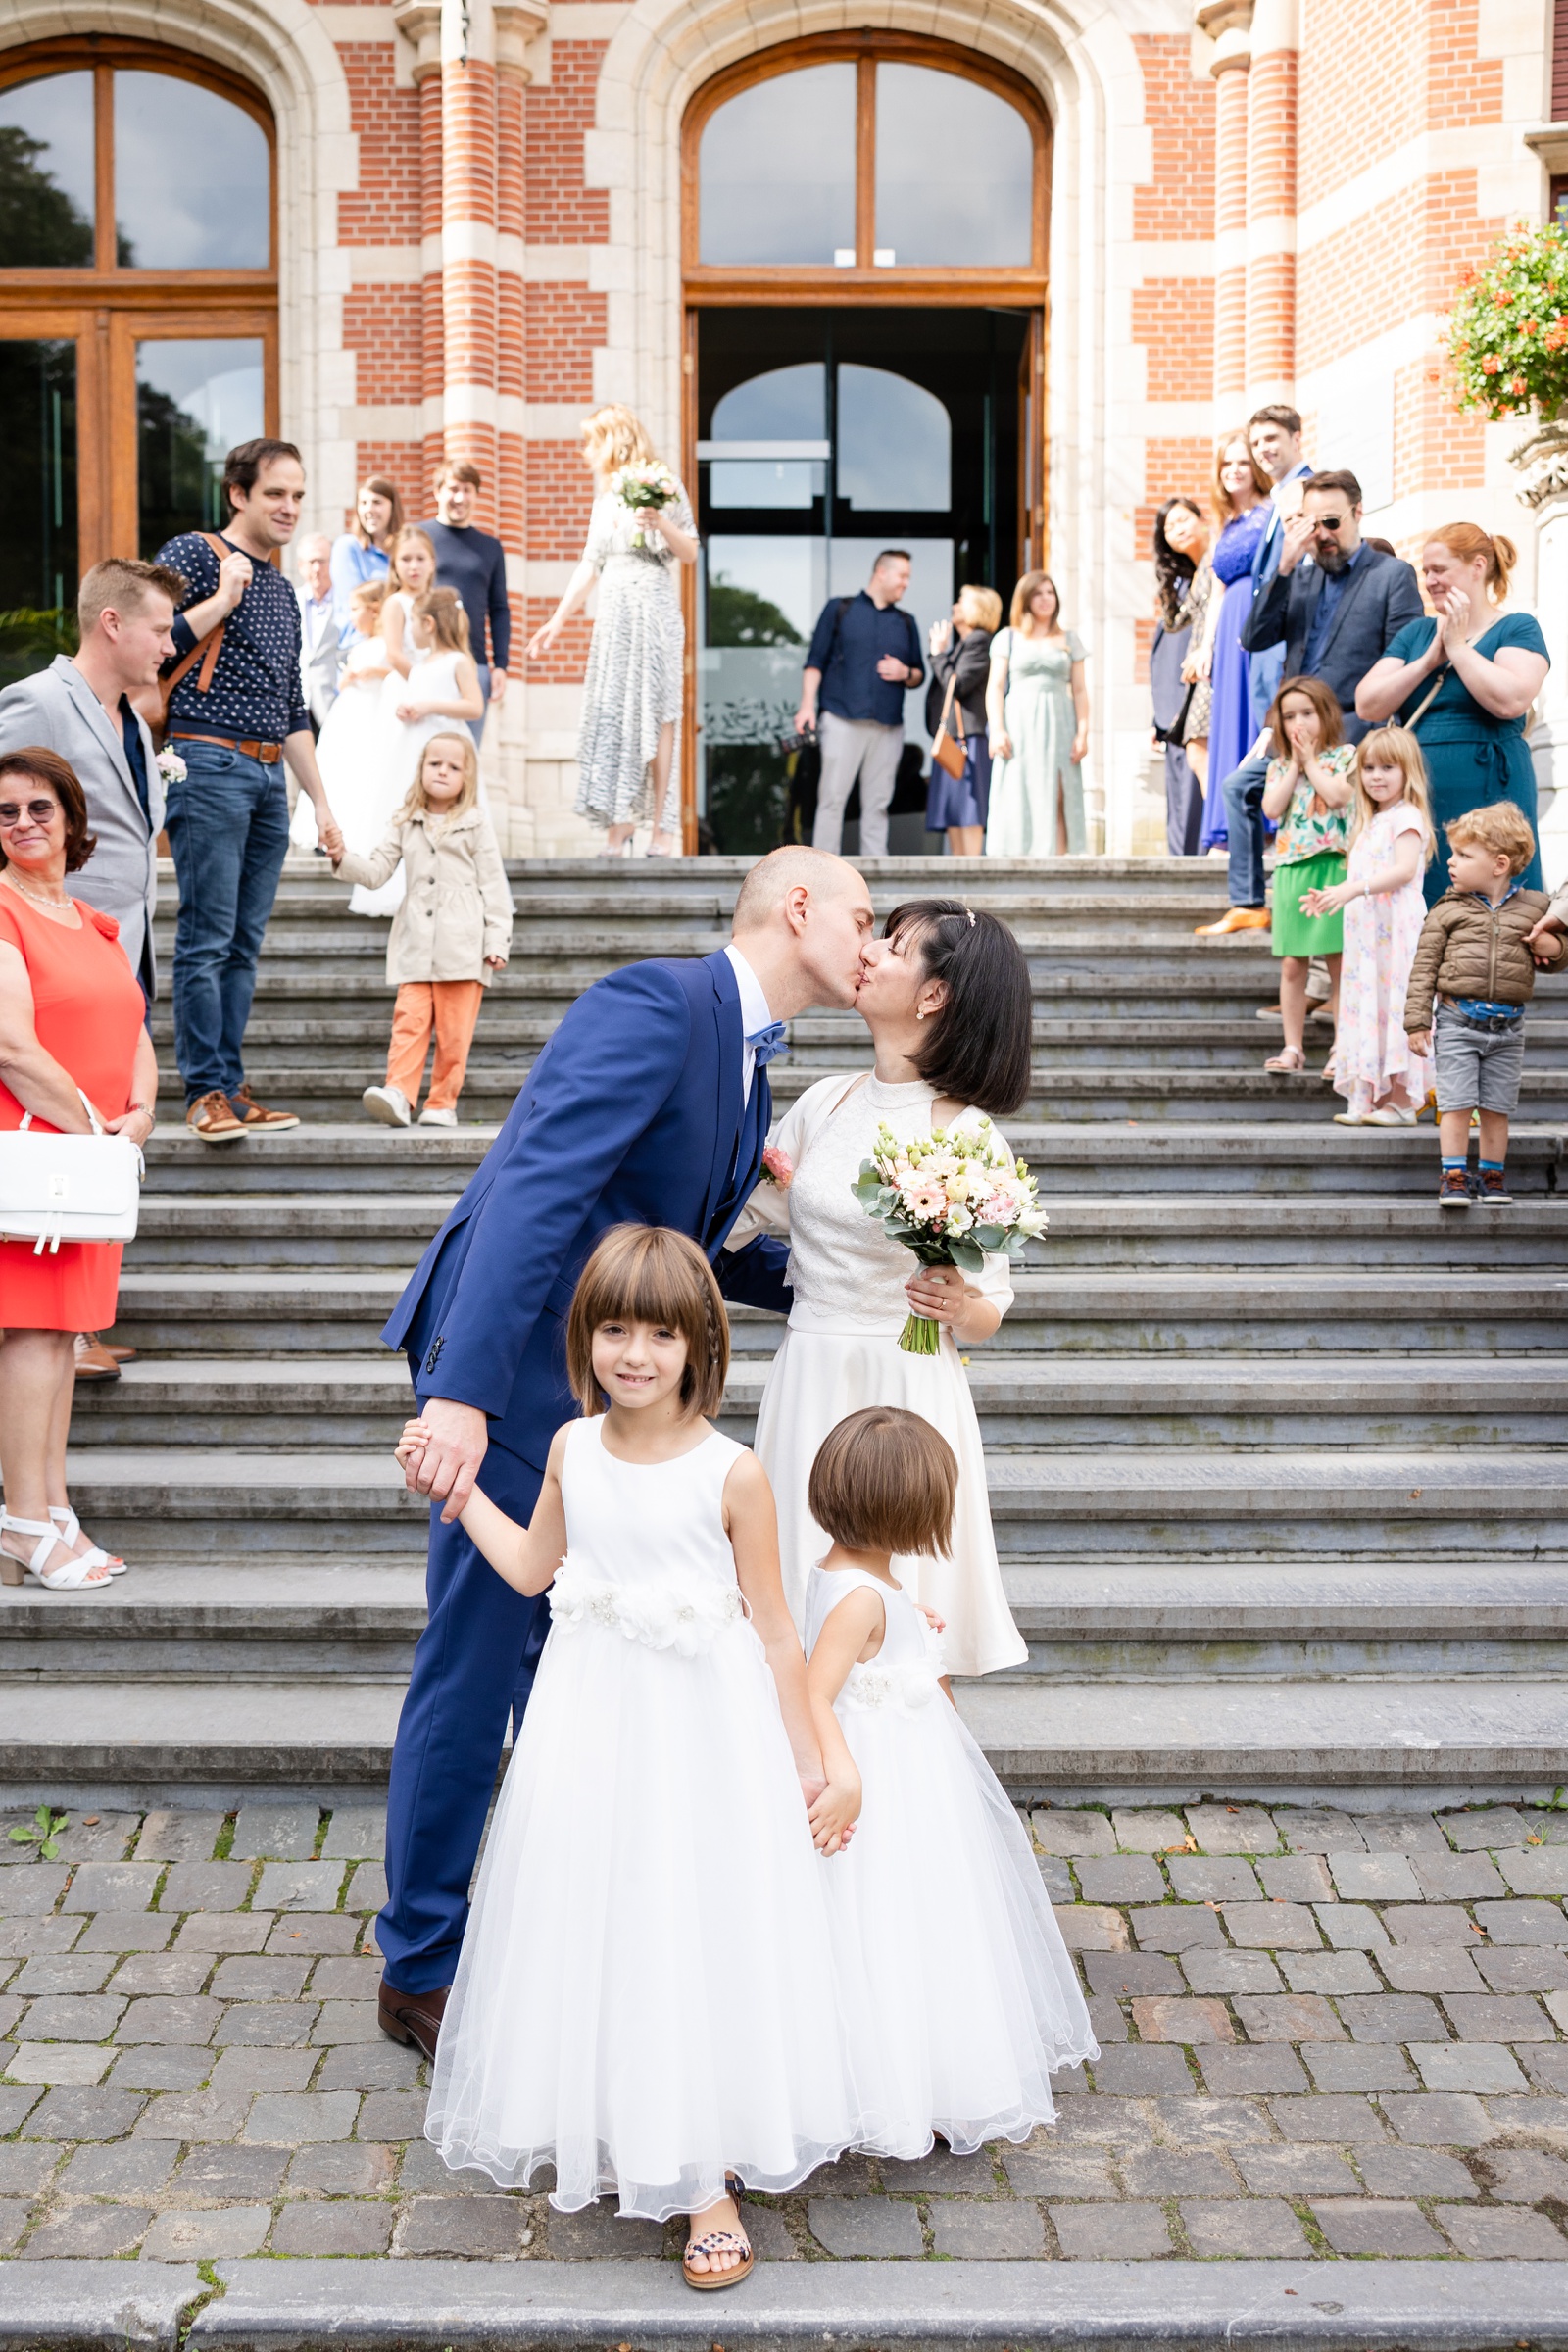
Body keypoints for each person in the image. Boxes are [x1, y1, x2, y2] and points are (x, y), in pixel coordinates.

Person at [376, 845, 876, 2060]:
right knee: (479, 1668)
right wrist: (460, 1393)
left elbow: (685, 1240)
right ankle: (422, 1965)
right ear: (795, 905)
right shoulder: (659, 1005)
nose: (872, 943)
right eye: (862, 917)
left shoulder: (753, 1062)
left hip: (605, 1399)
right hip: (519, 1387)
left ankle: (564, 1938)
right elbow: (538, 1191)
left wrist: (853, 1272)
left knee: (578, 1675)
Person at [401, 1225, 863, 2279]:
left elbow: (777, 1628)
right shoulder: (569, 1449)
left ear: (700, 1341)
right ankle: (621, 2108)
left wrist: (813, 1759)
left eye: (660, 1333)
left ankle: (705, 2176)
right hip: (589, 1721)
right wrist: (461, 1492)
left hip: (700, 1732)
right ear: (585, 1337)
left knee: (688, 1914)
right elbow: (529, 1570)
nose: (635, 1355)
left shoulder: (734, 1473)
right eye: (614, 1329)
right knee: (601, 1907)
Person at [732, 899, 1031, 1677]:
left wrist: (957, 1304)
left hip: (908, 1388)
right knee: (795, 1623)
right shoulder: (824, 1102)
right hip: (810, 1373)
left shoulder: (966, 1135)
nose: (867, 953)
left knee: (904, 1645)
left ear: (934, 995)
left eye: (894, 947)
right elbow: (736, 1218)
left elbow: (990, 1304)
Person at [803, 1407, 1097, 2153]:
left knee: (904, 1918)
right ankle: (894, 2084)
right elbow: (813, 1690)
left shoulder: (858, 1581)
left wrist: (905, 1619)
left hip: (906, 1763)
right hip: (886, 1776)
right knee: (893, 1919)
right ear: (909, 1514)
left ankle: (904, 2076)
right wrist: (842, 1773)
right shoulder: (862, 1596)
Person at [155, 437, 343, 1145]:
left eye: (297, 495)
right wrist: (219, 601)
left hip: (269, 778)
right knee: (206, 939)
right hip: (206, 760)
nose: (289, 507)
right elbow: (152, 639)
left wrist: (321, 802)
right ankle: (204, 1092)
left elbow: (292, 705)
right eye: (275, 494)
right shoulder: (196, 555)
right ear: (238, 495)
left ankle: (230, 1085)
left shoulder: (286, 593)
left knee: (243, 943)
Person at [0, 749, 156, 1590]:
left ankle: (52, 1507)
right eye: (6, 812)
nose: (23, 823)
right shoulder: (1, 912)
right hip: (43, 1155)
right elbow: (11, 1048)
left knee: (62, 1334)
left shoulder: (93, 922)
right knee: (30, 1330)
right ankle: (23, 1521)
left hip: (92, 1163)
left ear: (70, 818)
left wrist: (144, 1110)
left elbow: (134, 1028)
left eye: (38, 808)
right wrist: (98, 1131)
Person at [0, 557, 179, 1004]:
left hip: (127, 955)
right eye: (160, 631)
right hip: (54, 965)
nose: (170, 647)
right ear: (112, 624)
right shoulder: (38, 702)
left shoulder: (136, 724)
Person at [527, 407, 696, 858]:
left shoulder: (663, 484)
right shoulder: (605, 500)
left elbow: (690, 551)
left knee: (659, 715)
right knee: (616, 714)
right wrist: (557, 620)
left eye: (591, 442)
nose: (586, 453)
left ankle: (662, 829)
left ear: (614, 440)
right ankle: (619, 827)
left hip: (654, 609)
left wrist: (659, 521)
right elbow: (591, 563)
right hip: (615, 615)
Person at [1355, 524, 1550, 905]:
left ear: (1477, 567)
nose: (1429, 581)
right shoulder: (1416, 633)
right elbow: (1368, 703)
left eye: (1439, 570)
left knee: (1494, 903)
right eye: (1425, 571)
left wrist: (1458, 648)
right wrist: (1428, 661)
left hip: (1492, 790)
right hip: (1419, 794)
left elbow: (1511, 700)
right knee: (1421, 904)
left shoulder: (1516, 627)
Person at [337, 731, 512, 1131]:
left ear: (467, 777)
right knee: (409, 1023)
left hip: (463, 946)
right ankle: (398, 1093)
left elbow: (494, 887)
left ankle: (442, 1102)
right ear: (420, 769)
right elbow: (378, 871)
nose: (443, 772)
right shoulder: (405, 821)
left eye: (453, 767)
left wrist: (497, 940)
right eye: (435, 764)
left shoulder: (476, 824)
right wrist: (342, 856)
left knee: (454, 1035)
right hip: (415, 941)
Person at [1404, 803, 1566, 1207]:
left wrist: (1555, 948)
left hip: (1508, 1029)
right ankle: (1454, 1177)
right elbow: (1424, 968)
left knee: (1496, 1108)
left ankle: (1492, 1176)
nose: (1452, 863)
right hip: (1458, 1020)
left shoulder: (1534, 908)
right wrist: (1416, 1022)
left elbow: (1558, 957)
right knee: (1457, 1104)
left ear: (1499, 864)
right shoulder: (1448, 909)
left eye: (1463, 855)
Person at [1196, 408, 1313, 929]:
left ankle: (1254, 856)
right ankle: (1234, 851)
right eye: (1250, 445)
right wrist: (1204, 644)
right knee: (1238, 749)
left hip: (1269, 631)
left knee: (1261, 736)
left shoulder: (1292, 497)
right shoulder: (1231, 520)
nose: (1255, 456)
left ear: (1294, 439)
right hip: (1241, 631)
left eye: (1268, 442)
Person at [1300, 727, 1436, 1126]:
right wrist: (1332, 895)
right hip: (1369, 934)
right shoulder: (1371, 820)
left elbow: (1404, 870)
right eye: (1369, 768)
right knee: (1371, 1008)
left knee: (1396, 1006)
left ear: (1407, 771)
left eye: (1387, 767)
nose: (1376, 776)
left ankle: (1401, 1100)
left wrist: (1352, 889)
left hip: (1396, 931)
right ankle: (1371, 1097)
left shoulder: (1407, 816)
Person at [1242, 471, 1424, 744]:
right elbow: (1254, 638)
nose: (1323, 534)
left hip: (1356, 731)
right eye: (1314, 524)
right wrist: (1283, 568)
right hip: (1294, 735)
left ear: (1358, 512)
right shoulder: (1299, 579)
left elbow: (1405, 663)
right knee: (1237, 786)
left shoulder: (1392, 575)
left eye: (1332, 522)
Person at [795, 552, 925, 858]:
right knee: (831, 799)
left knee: (878, 804)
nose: (906, 584)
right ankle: (823, 870)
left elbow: (919, 673)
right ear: (881, 572)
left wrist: (905, 672)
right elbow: (815, 661)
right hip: (841, 718)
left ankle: (875, 868)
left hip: (888, 724)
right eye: (902, 576)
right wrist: (806, 706)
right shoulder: (840, 609)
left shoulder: (906, 622)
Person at [1259, 676, 1353, 1074]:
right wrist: (1295, 765)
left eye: (1308, 713)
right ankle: (1292, 1046)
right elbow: (1271, 809)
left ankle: (1343, 1046)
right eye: (1290, 715)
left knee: (1338, 962)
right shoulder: (1280, 766)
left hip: (1331, 867)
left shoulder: (1346, 756)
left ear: (1325, 714)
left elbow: (1337, 797)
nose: (1299, 722)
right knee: (1292, 965)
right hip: (1290, 871)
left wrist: (1312, 763)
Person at [1192, 432, 1271, 869]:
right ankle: (1227, 829)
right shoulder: (1227, 523)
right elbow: (1218, 591)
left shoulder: (1272, 511)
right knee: (1227, 726)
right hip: (1227, 632)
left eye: (1242, 462)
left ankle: (1263, 828)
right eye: (1226, 464)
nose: (1234, 471)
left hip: (1258, 622)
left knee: (1257, 720)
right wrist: (1206, 645)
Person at [984, 573, 1089, 856]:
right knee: (1018, 789)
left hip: (1060, 722)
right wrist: (997, 729)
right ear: (1026, 599)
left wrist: (1083, 733)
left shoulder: (1069, 639)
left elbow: (1079, 690)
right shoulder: (1008, 638)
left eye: (1050, 593)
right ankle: (1017, 857)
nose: (1045, 599)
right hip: (1019, 722)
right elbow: (995, 686)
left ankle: (1060, 860)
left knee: (1059, 792)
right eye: (1038, 593)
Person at [289, 580, 390, 858]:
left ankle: (359, 834)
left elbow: (401, 677)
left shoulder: (387, 647)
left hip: (371, 720)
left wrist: (375, 673)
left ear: (375, 611)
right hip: (347, 720)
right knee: (337, 772)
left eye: (355, 608)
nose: (351, 616)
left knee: (364, 774)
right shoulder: (359, 645)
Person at [417, 461, 511, 747]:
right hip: (426, 660)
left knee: (467, 753)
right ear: (437, 492)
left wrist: (501, 666)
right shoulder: (421, 538)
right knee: (422, 748)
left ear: (476, 495)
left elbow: (499, 609)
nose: (460, 498)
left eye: (467, 490)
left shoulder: (490, 547)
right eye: (453, 489)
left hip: (475, 664)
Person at [924, 585, 1002, 855]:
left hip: (968, 739)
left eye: (961, 601)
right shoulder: (965, 646)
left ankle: (970, 884)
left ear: (977, 609)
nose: (955, 606)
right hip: (956, 739)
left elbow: (958, 685)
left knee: (968, 813)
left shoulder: (980, 641)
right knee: (955, 817)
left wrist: (937, 654)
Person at [1151, 498, 1206, 855]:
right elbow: (1164, 656)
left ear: (1202, 519)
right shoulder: (1180, 589)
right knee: (1179, 804)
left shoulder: (1215, 572)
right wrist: (1157, 719)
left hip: (1201, 701)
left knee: (1196, 798)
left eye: (1183, 520)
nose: (1178, 530)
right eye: (1169, 527)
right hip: (1174, 712)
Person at [330, 475, 404, 625]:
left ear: (392, 506)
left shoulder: (404, 551)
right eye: (363, 503)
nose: (369, 509)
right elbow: (353, 605)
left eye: (377, 502)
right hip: (360, 639)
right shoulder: (348, 547)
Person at [296, 534, 343, 740]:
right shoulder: (290, 600)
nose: (317, 568)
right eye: (311, 561)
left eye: (322, 561)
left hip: (333, 702)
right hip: (297, 703)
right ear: (300, 566)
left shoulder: (348, 603)